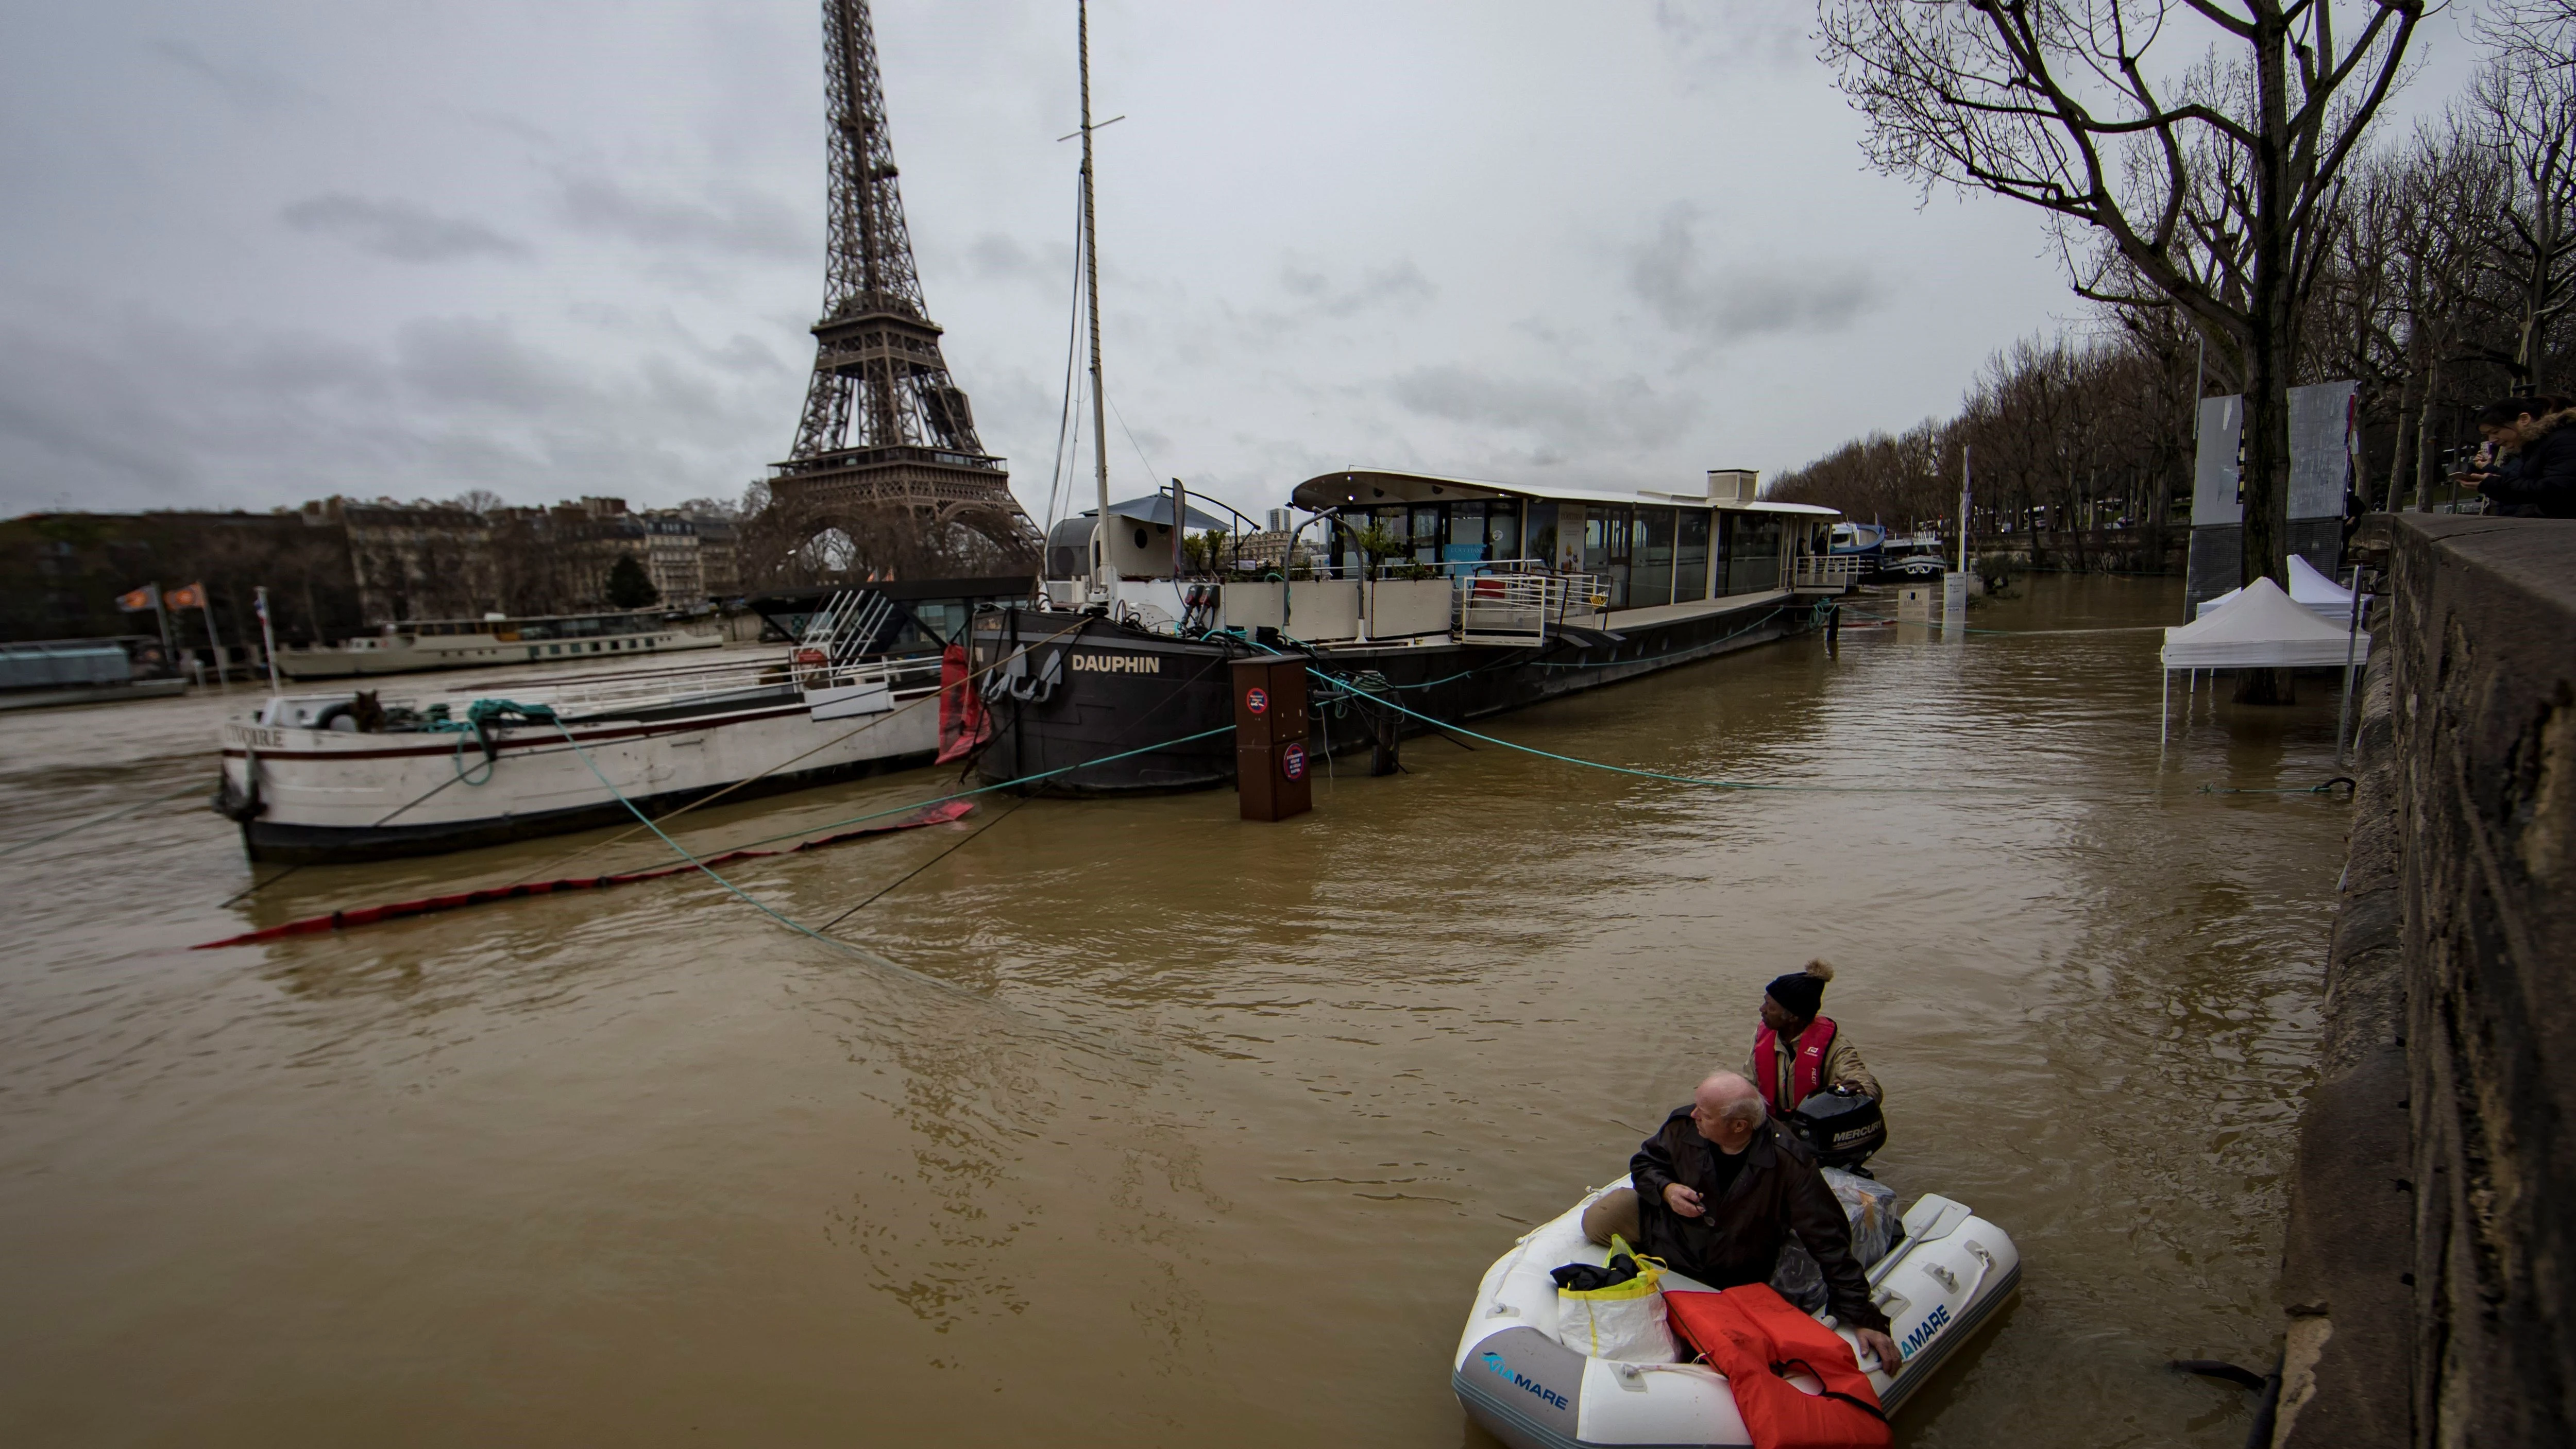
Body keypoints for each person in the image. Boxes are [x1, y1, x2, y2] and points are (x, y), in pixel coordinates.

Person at [1593, 1072, 1900, 1368]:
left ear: (1739, 1126)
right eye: (1697, 1105)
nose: (1695, 1115)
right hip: (1673, 1237)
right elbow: (1646, 1163)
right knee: (1601, 1218)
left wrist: (1862, 1316)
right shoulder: (1685, 1125)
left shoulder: (1789, 1162)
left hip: (1732, 1262)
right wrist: (1667, 1189)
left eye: (1706, 1114)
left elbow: (1829, 1239)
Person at [1744, 960, 1879, 1119]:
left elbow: (1864, 1080)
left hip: (1812, 1127)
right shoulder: (1762, 1036)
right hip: (1773, 1124)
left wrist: (1862, 1092)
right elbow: (1748, 1083)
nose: (1762, 1009)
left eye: (1770, 1006)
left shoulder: (1835, 1047)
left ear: (1793, 1016)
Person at [2461, 395, 2576, 519]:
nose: (2492, 440)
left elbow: (2555, 490)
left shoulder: (2564, 441)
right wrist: (2490, 481)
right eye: (2487, 435)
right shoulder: (2538, 444)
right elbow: (2528, 483)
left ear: (2524, 419)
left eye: (2495, 432)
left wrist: (2494, 484)